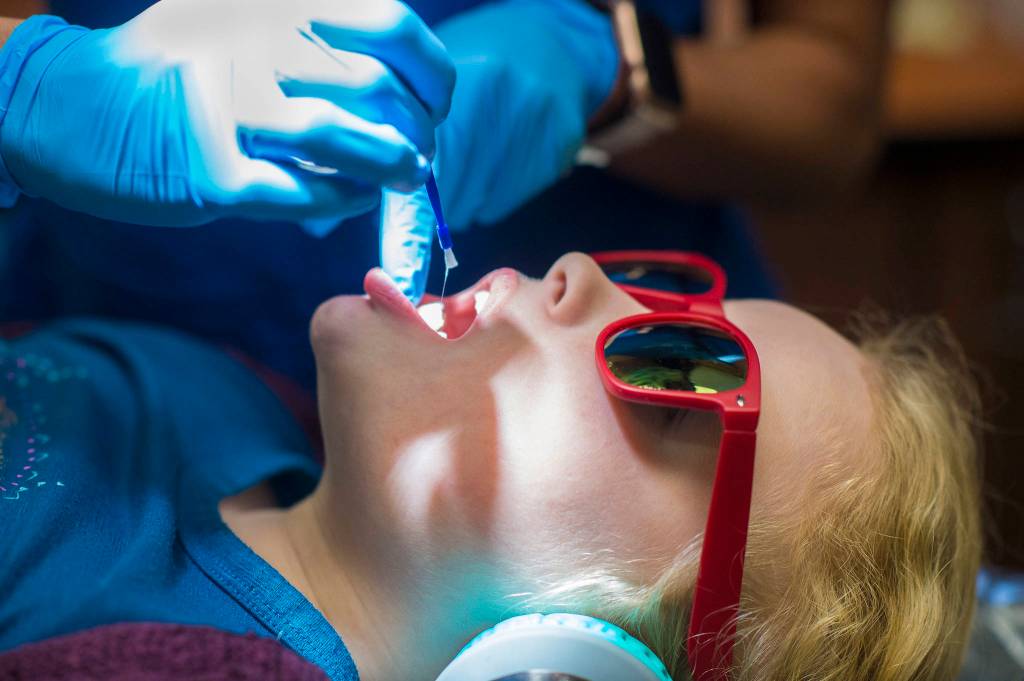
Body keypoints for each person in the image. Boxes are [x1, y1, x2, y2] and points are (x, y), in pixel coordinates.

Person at [0, 252, 981, 680]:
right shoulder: (232, 397)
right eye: (659, 293)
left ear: (599, 664)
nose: (582, 271)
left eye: (676, 369)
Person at [0, 0, 892, 388]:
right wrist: (34, 89)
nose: (576, 277)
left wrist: (608, 70)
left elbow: (832, 106)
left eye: (663, 384)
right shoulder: (124, 433)